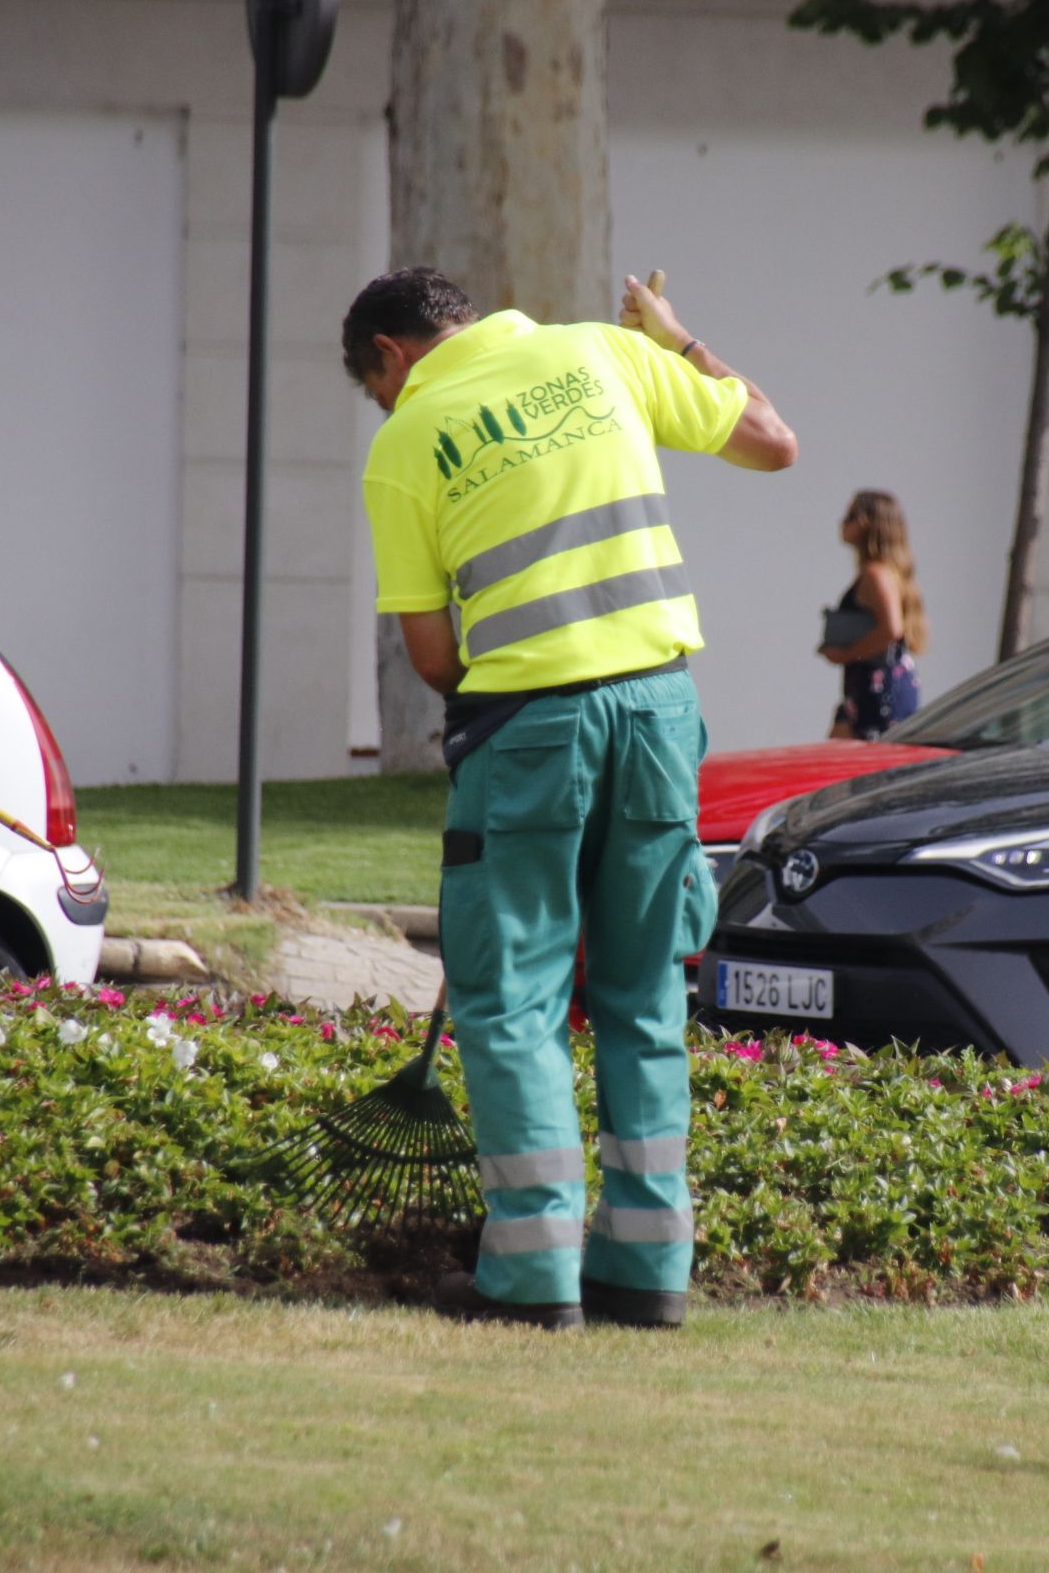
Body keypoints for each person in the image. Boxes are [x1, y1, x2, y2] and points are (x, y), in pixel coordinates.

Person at [343, 266, 796, 1330]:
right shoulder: (605, 351)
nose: (386, 405)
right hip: (657, 716)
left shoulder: (407, 439)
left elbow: (431, 653)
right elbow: (774, 440)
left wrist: (511, 699)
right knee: (644, 994)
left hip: (529, 732)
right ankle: (648, 1271)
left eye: (378, 387)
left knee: (514, 1000)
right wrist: (680, 337)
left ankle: (534, 1274)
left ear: (393, 357)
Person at [819, 489, 926, 739]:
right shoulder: (887, 572)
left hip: (877, 690)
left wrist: (846, 653)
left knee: (850, 768)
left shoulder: (876, 574)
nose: (842, 523)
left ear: (871, 524)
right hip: (870, 686)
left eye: (851, 515)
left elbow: (892, 629)